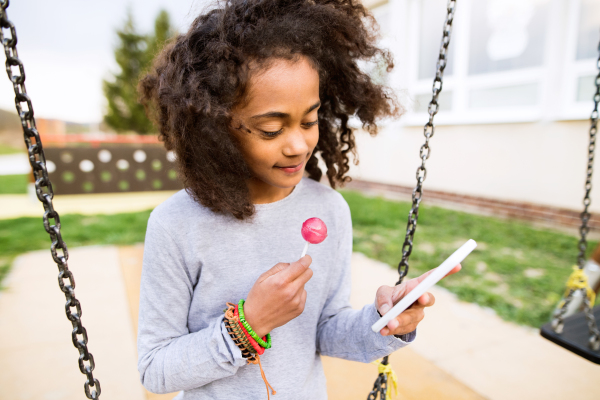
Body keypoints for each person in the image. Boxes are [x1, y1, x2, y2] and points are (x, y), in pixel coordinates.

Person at [136, 0, 460, 399]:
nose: (298, 145)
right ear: (215, 129)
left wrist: (386, 319)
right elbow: (155, 368)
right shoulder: (177, 225)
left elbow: (324, 331)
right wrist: (247, 327)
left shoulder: (329, 210)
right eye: (271, 129)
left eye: (309, 121)